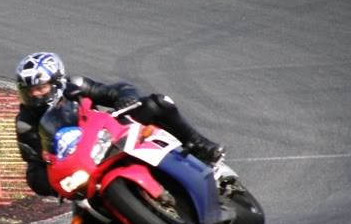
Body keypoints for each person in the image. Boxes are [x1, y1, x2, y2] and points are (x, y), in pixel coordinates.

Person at [14, 52, 225, 197]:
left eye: (40, 88)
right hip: (82, 171)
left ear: (57, 81)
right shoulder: (25, 123)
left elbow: (115, 90)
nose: (35, 95)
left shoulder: (75, 86)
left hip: (109, 137)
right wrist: (54, 183)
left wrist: (126, 98)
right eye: (29, 90)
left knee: (157, 104)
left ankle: (199, 145)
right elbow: (34, 168)